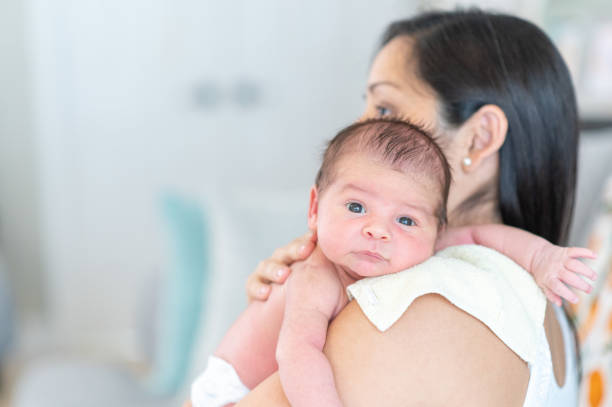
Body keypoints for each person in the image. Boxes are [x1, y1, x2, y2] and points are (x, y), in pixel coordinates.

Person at [236, 8, 585, 407]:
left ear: (479, 139)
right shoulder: (539, 307)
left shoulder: (422, 306)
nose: (359, 129)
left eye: (384, 109)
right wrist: (270, 323)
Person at [190, 117, 594, 406]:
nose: (378, 230)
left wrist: (543, 257)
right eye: (355, 206)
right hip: (227, 391)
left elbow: (478, 236)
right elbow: (298, 354)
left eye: (404, 219)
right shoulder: (316, 275)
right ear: (314, 208)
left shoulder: (419, 250)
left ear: (435, 230)